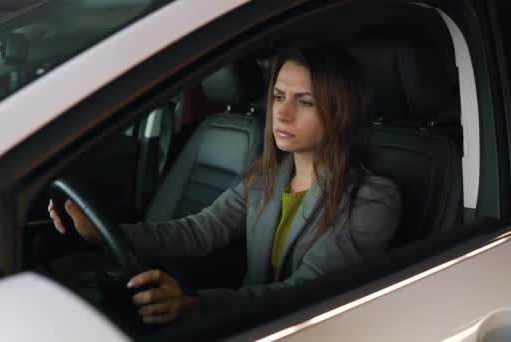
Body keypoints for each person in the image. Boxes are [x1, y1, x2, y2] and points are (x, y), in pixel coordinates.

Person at [48, 43, 402, 324]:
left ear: (341, 112)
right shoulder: (267, 175)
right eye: (278, 96)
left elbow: (304, 293)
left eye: (304, 102)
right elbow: (199, 230)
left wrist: (198, 306)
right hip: (250, 322)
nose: (283, 112)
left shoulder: (371, 199)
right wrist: (103, 233)